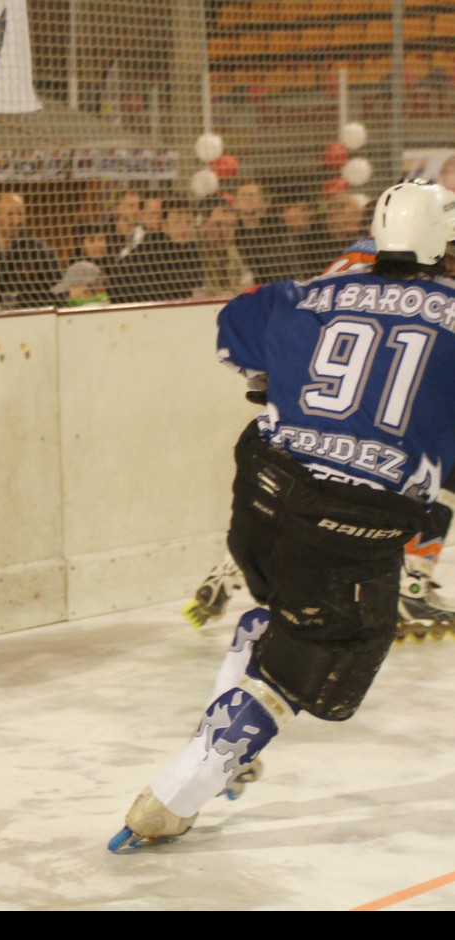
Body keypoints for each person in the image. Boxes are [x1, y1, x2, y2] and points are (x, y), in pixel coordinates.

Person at [111, 180, 455, 851]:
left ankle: (226, 723)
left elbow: (235, 329)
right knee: (328, 648)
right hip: (351, 522)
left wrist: (274, 378)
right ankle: (180, 792)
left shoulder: (314, 291)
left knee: (282, 611)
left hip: (261, 495)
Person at [110, 197, 202, 304]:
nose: (184, 227)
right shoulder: (152, 251)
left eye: (189, 222)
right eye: (177, 221)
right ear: (165, 225)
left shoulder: (193, 251)